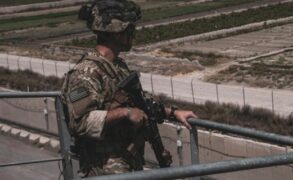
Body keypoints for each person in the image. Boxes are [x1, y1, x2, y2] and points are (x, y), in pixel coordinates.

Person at [61, 0, 197, 177]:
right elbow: (79, 122)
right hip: (103, 167)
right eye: (129, 30)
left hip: (126, 163)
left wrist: (173, 113)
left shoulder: (117, 67)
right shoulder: (85, 73)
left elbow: (140, 102)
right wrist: (125, 113)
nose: (133, 34)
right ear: (116, 33)